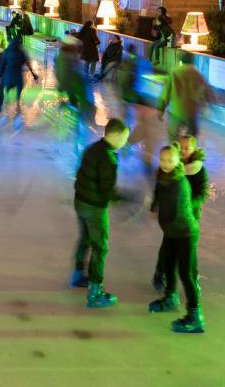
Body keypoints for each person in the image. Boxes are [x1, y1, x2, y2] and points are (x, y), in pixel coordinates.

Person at [71, 118, 130, 308]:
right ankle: (95, 292)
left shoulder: (92, 149)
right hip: (95, 207)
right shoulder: (108, 158)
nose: (125, 142)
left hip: (80, 202)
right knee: (100, 246)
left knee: (85, 238)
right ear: (115, 135)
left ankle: (78, 274)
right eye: (124, 138)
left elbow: (80, 174)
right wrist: (124, 198)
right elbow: (107, 190)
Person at [148, 144, 205, 334]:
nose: (165, 164)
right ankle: (171, 298)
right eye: (162, 160)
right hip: (172, 231)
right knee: (167, 263)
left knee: (186, 275)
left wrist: (166, 228)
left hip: (185, 233)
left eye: (170, 160)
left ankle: (195, 317)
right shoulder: (164, 176)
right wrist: (155, 207)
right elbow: (159, 195)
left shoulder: (180, 183)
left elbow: (180, 215)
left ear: (177, 161)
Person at [153, 134, 208, 293]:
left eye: (187, 148)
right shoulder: (170, 165)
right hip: (171, 215)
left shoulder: (199, 170)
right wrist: (155, 204)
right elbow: (159, 187)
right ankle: (160, 273)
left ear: (194, 149)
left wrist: (188, 205)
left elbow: (203, 193)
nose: (183, 151)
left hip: (190, 216)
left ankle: (193, 275)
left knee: (189, 250)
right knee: (167, 246)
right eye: (181, 147)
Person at [157, 51, 214, 139]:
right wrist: (206, 109)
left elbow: (166, 92)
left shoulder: (174, 72)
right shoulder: (198, 75)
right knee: (191, 138)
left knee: (173, 136)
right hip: (192, 113)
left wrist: (161, 109)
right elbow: (206, 94)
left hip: (176, 111)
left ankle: (174, 150)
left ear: (181, 61)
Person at [0, 37, 39, 115]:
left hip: (8, 75)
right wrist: (34, 75)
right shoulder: (22, 52)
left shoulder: (7, 52)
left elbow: (2, 65)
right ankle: (18, 103)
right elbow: (28, 64)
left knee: (7, 89)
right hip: (18, 76)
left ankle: (5, 104)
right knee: (19, 90)